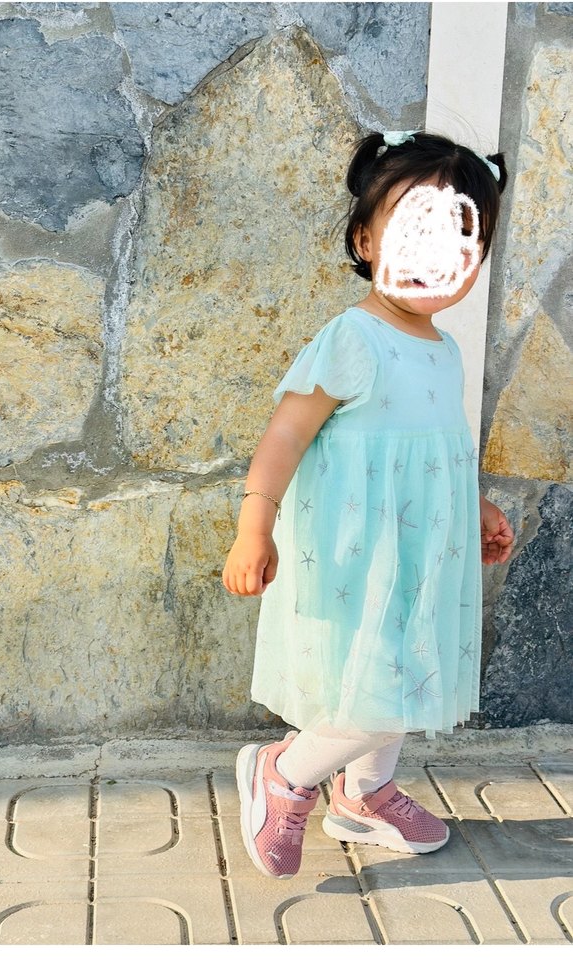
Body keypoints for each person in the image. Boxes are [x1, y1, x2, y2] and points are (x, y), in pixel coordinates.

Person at [222, 130, 515, 880]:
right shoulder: (351, 339)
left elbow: (434, 447)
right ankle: (284, 772)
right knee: (383, 685)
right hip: (358, 554)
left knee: (407, 667)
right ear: (364, 240)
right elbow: (285, 435)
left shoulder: (444, 349)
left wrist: (475, 504)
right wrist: (254, 525)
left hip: (421, 550)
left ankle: (362, 794)